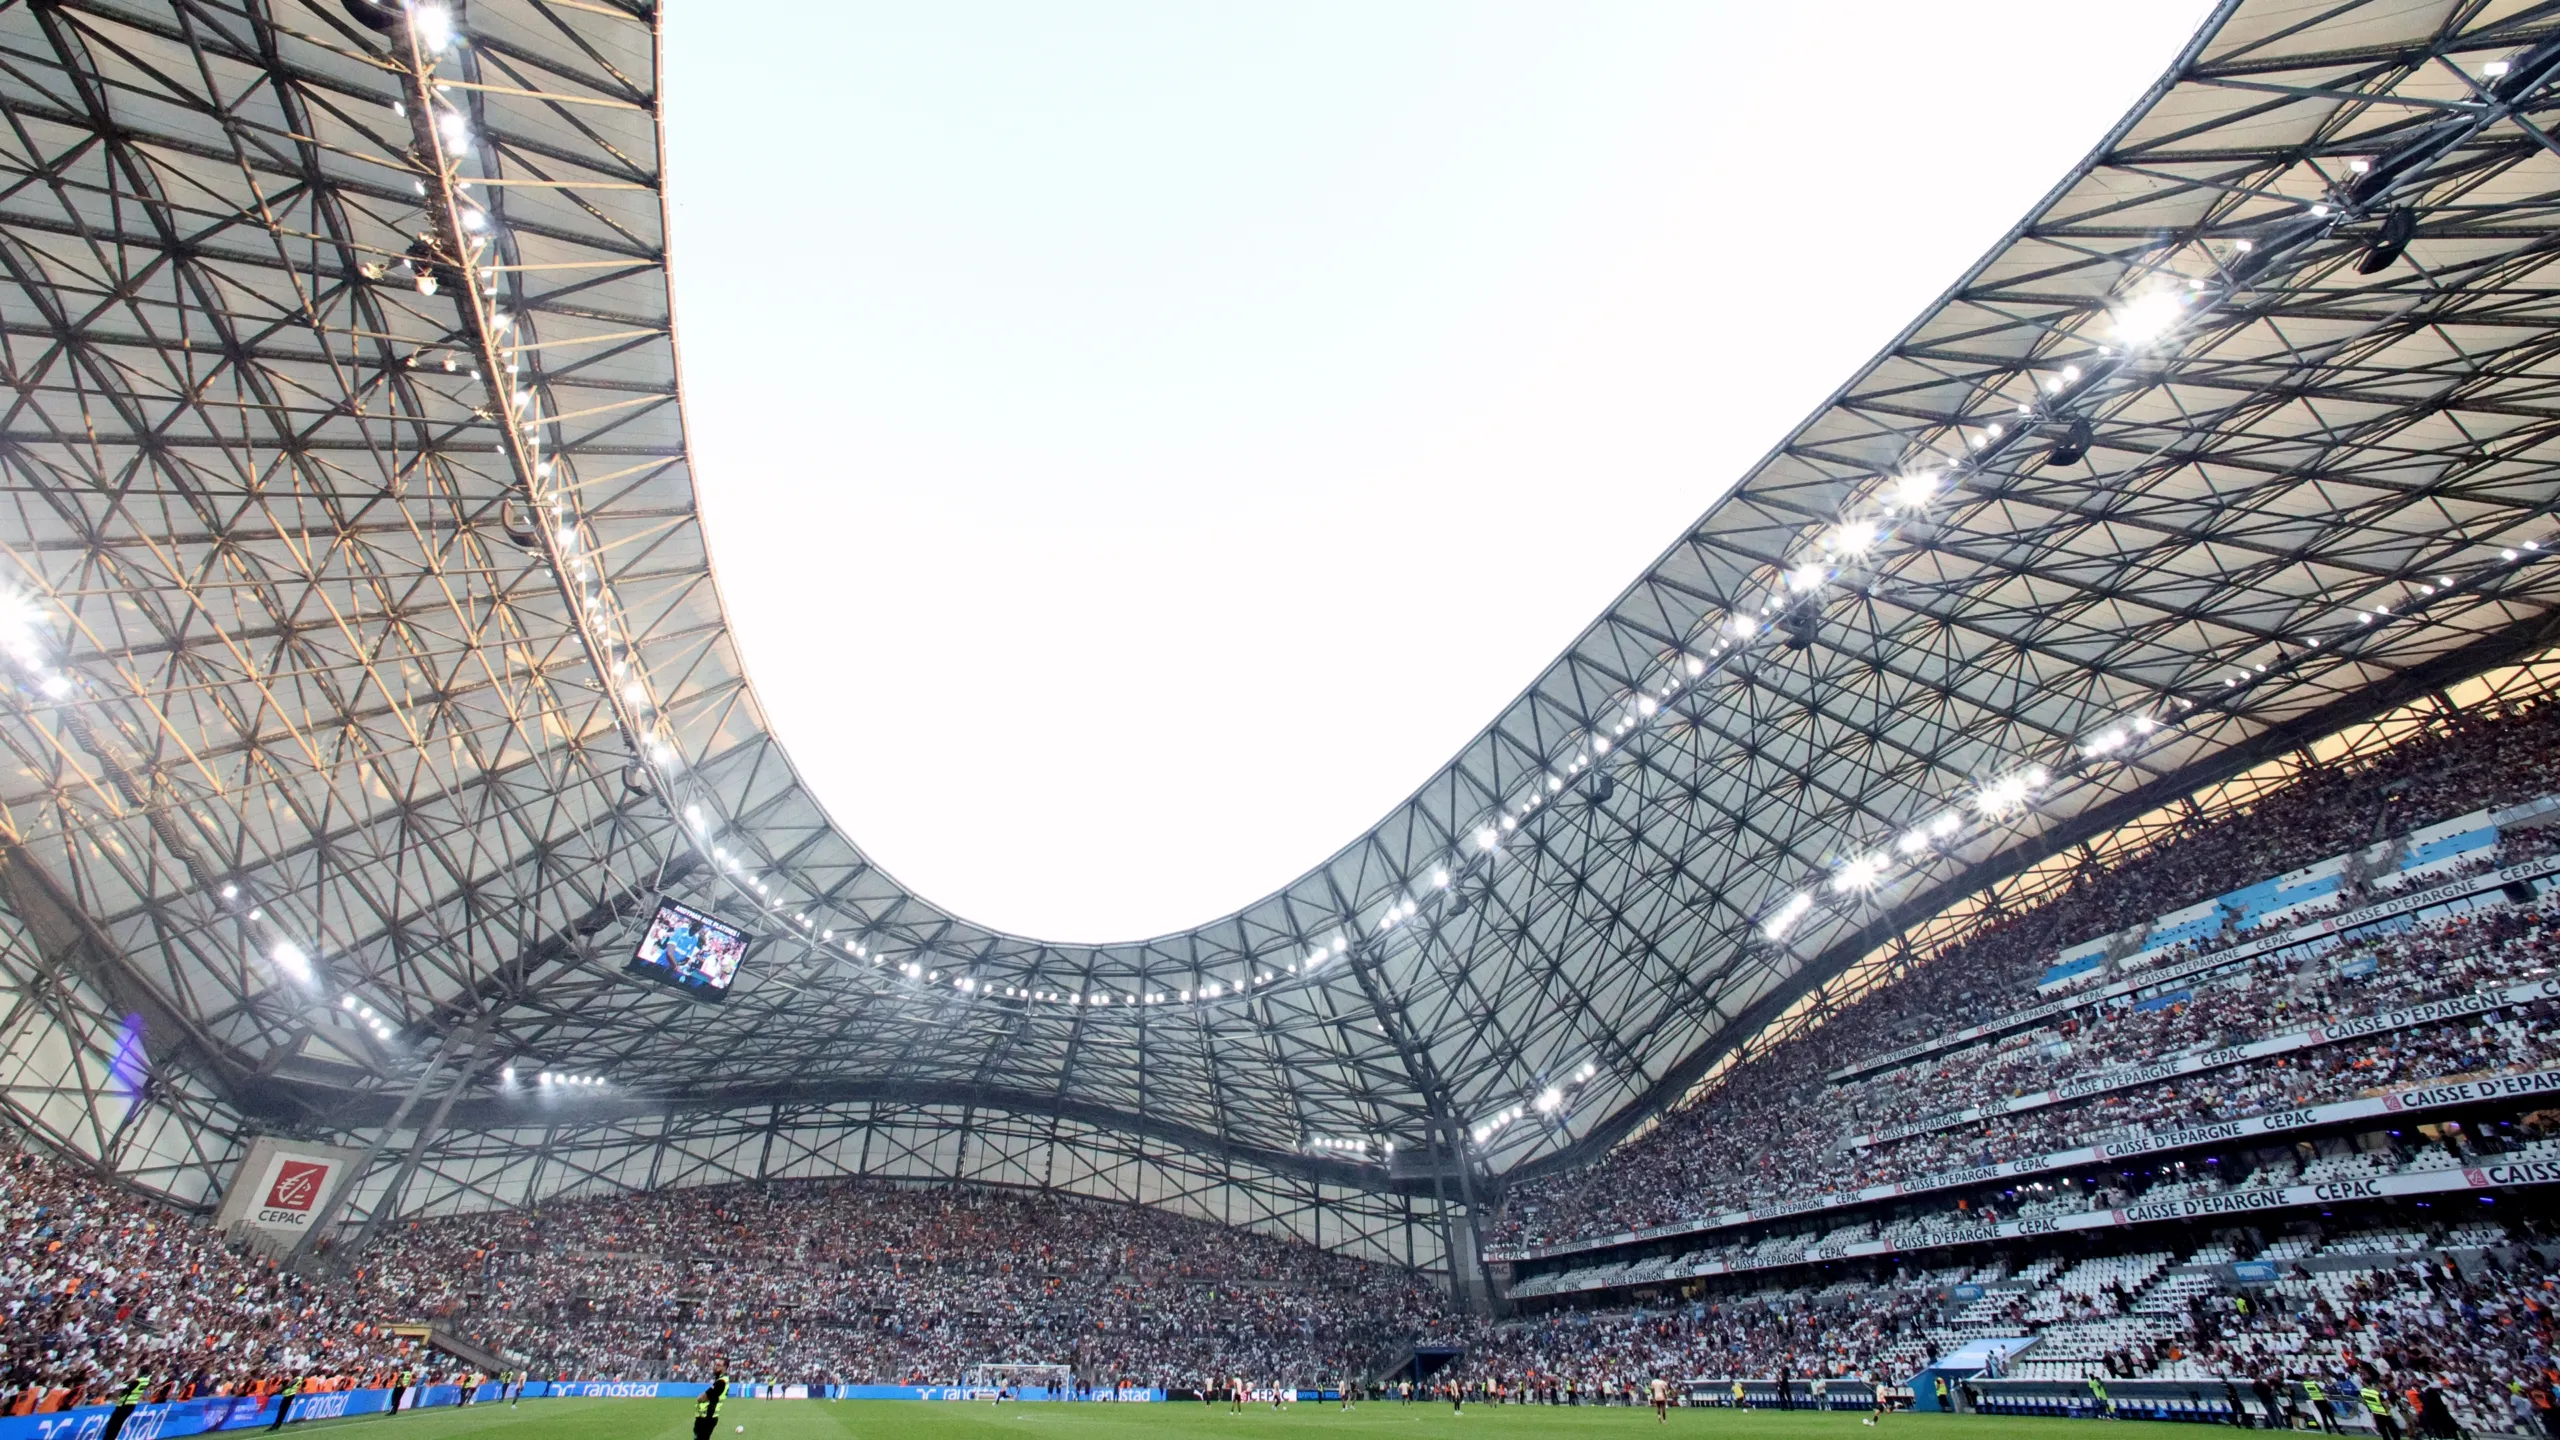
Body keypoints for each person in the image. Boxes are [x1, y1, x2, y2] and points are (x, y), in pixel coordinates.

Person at [101, 1374, 151, 1440]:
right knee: (117, 1424)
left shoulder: (134, 1385)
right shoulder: (144, 1381)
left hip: (124, 1405)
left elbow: (124, 1391)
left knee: (114, 1424)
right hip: (130, 1405)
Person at [693, 1364, 729, 1440]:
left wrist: (700, 1397)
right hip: (709, 1416)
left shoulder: (721, 1382)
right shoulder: (723, 1380)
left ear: (724, 1367)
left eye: (719, 1365)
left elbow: (701, 1398)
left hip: (707, 1416)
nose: (715, 1367)